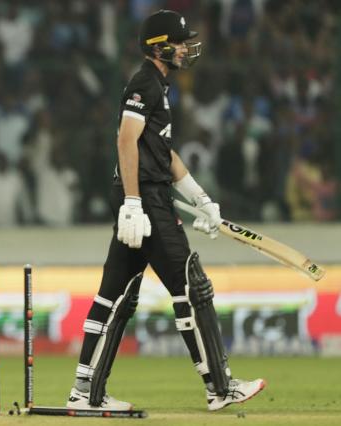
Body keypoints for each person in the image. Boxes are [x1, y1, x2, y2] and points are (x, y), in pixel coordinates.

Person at [67, 10, 265, 412]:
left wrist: (201, 199)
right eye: (178, 42)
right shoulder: (144, 83)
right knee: (192, 289)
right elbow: (126, 141)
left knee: (115, 296)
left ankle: (85, 392)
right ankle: (220, 388)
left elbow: (162, 152)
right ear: (158, 47)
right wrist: (134, 202)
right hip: (146, 202)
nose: (185, 48)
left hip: (148, 198)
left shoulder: (158, 85)